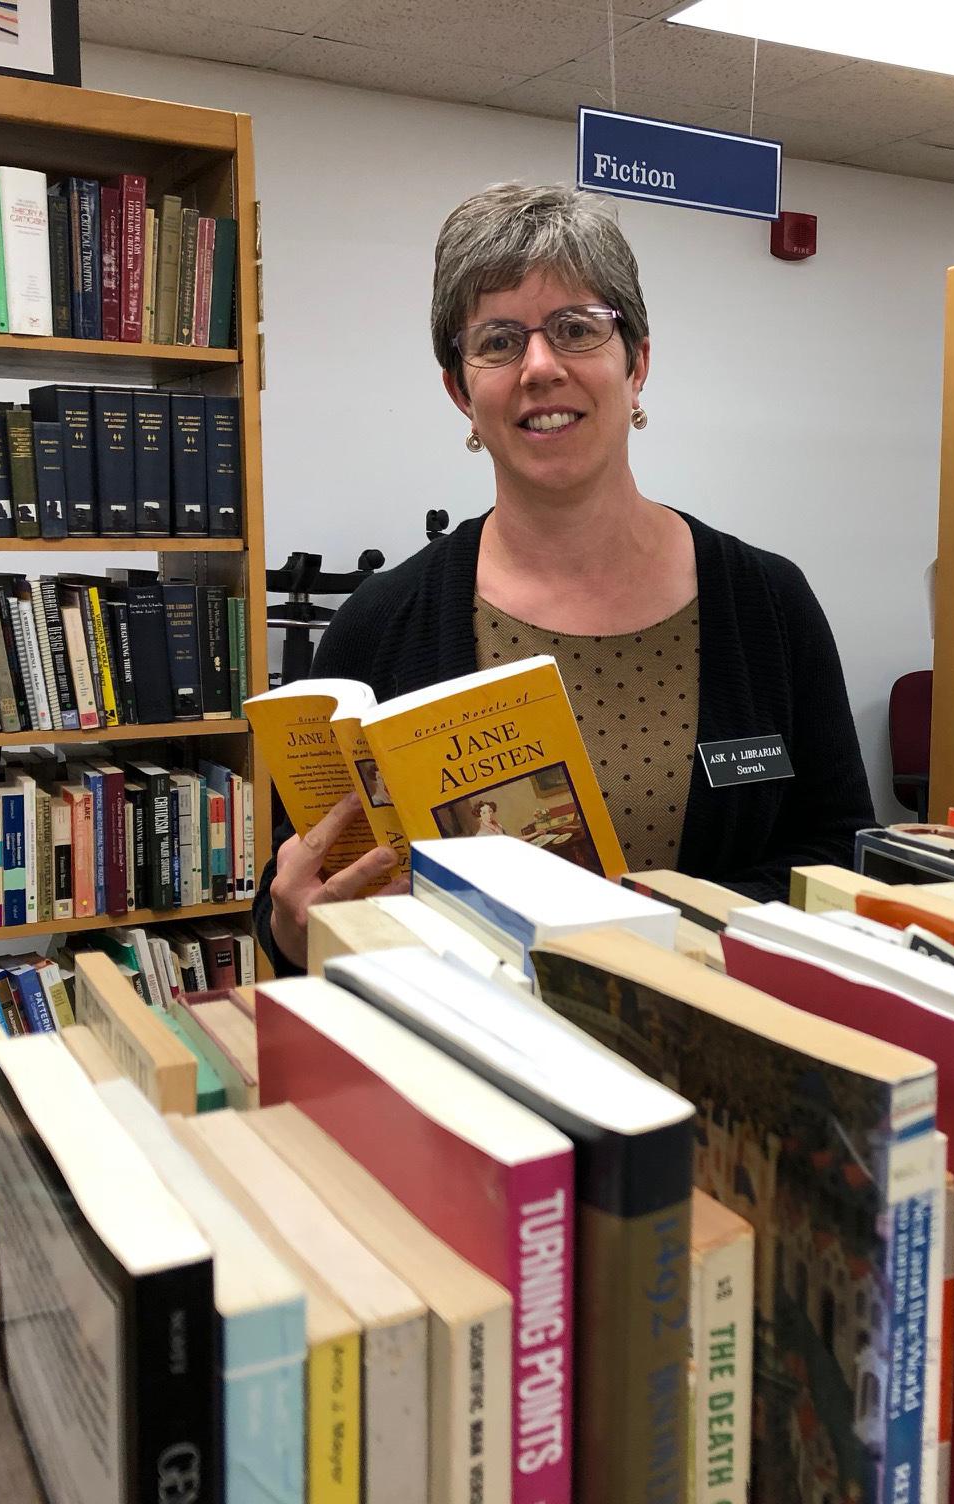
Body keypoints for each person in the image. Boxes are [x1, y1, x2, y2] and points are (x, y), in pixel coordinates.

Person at [254, 182, 876, 971]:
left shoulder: (769, 605)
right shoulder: (380, 625)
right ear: (460, 391)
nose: (540, 368)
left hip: (721, 1050)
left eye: (577, 329)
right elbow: (295, 888)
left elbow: (839, 856)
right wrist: (293, 925)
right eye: (499, 341)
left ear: (637, 363)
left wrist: (643, 926)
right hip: (469, 1072)